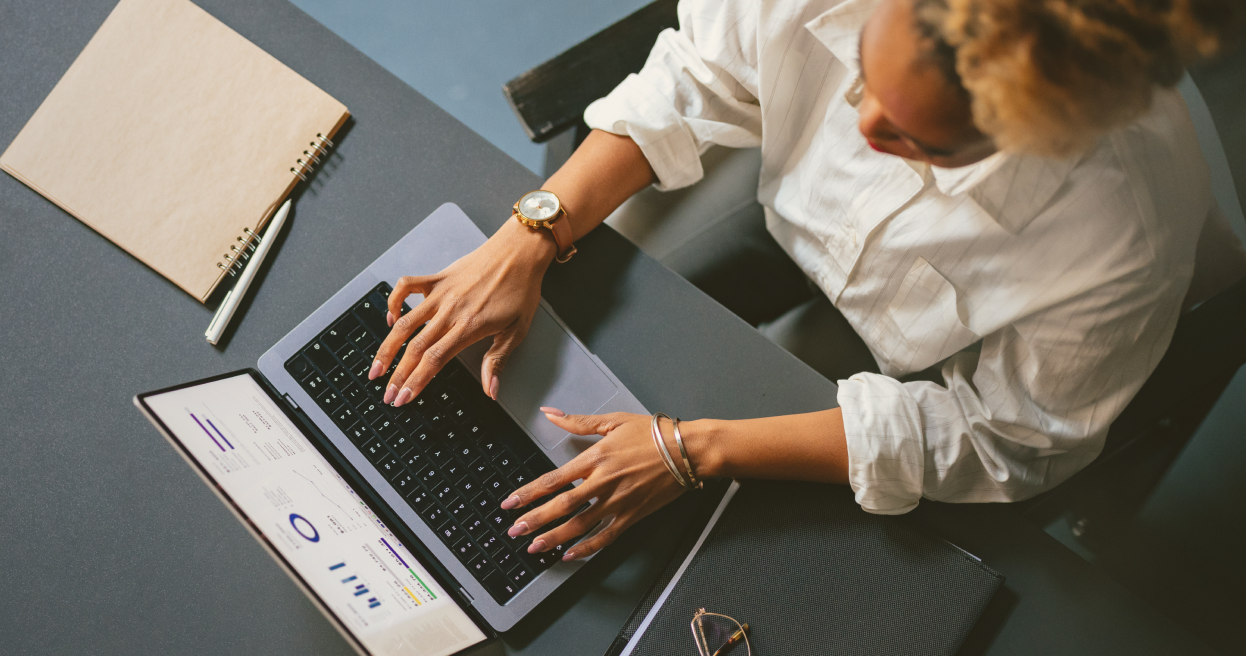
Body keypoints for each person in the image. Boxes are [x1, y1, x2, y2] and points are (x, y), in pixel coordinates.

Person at [368, 0, 1242, 562]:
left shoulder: (1121, 237)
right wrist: (533, 231)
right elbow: (699, 75)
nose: (860, 129)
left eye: (920, 142)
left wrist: (696, 448)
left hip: (931, 351)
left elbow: (1003, 437)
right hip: (783, 209)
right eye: (864, 70)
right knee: (609, 355)